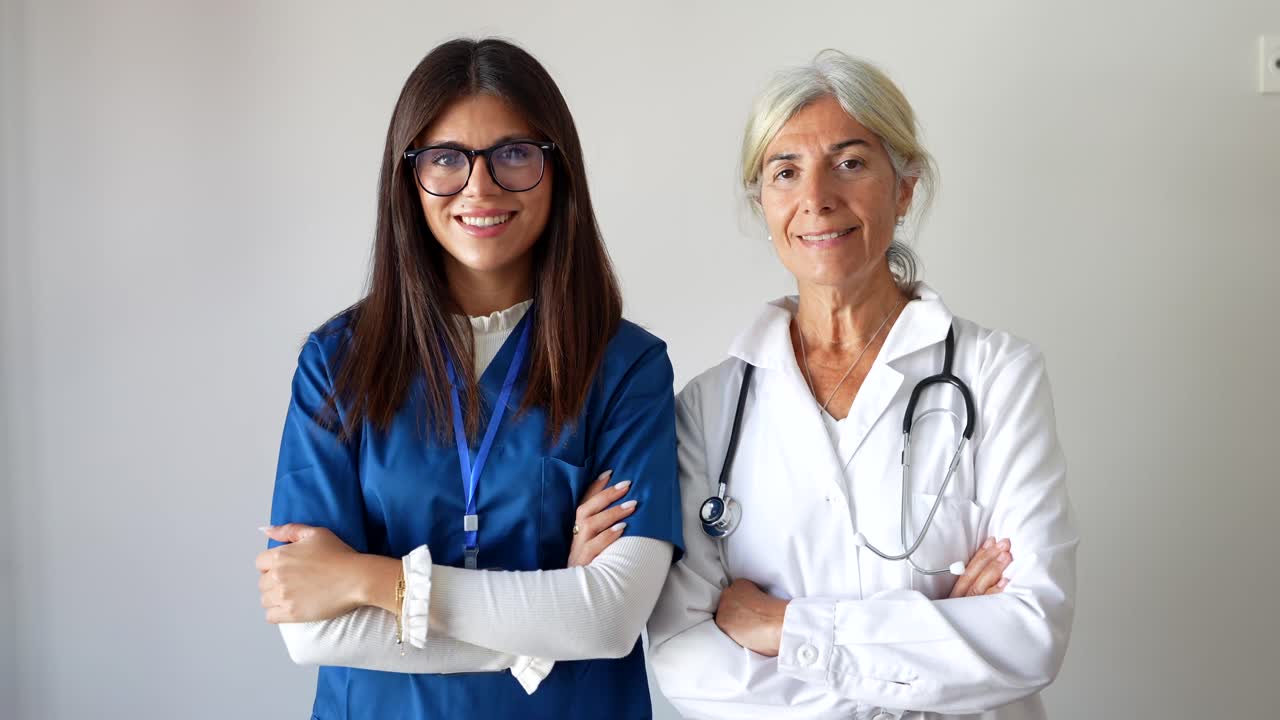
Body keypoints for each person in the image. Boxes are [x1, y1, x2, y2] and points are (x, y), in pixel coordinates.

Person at [254, 38, 681, 720]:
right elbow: (313, 631)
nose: (479, 187)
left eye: (514, 153)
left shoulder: (626, 367)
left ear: (557, 169)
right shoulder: (337, 364)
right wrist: (549, 621)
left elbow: (608, 620)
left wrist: (375, 581)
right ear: (408, 176)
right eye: (447, 158)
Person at [647, 50, 1077, 720]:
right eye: (786, 171)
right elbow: (685, 656)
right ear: (763, 204)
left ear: (904, 189)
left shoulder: (998, 376)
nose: (817, 198)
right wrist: (929, 655)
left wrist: (784, 628)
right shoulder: (708, 410)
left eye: (849, 163)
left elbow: (1028, 637)